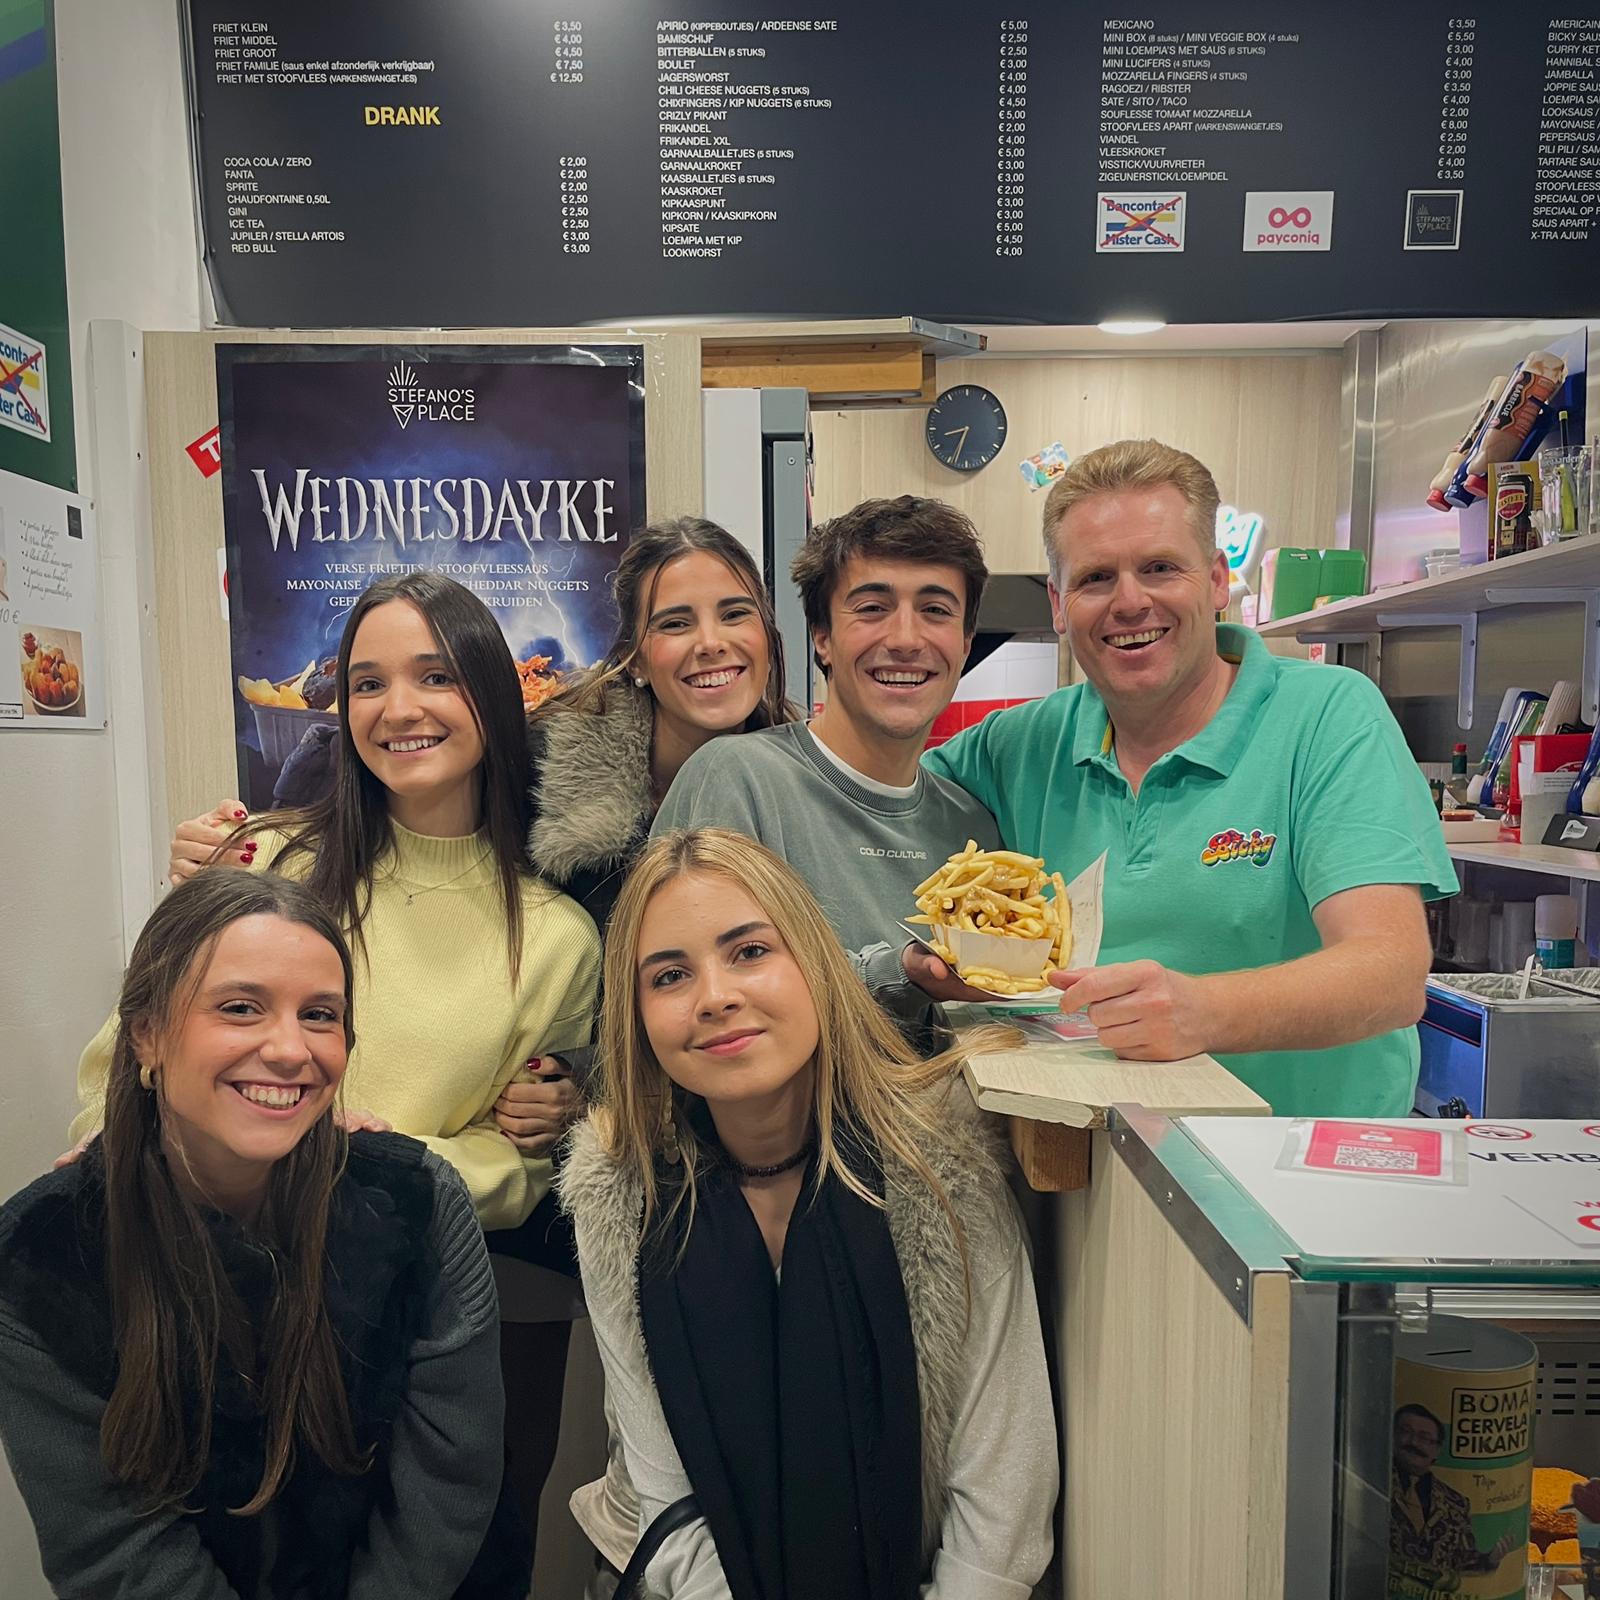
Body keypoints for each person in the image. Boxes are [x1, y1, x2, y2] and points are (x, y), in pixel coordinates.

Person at [70, 569, 601, 1555]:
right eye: (366, 682)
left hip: (406, 1332)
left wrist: (377, 1171)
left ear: (491, 692)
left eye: (435, 676)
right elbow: (125, 1062)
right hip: (211, 1313)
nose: (397, 709)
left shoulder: (557, 935)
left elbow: (522, 1163)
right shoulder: (265, 861)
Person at [0, 868, 526, 1598]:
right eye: (242, 1008)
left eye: (320, 1015)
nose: (290, 1049)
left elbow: (450, 1484)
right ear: (147, 1033)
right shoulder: (39, 1259)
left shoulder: (418, 1202)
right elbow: (114, 1551)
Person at [560, 828, 1056, 1598]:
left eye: (750, 952)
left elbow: (1003, 1495)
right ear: (637, 1015)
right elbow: (663, 1483)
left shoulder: (940, 1164)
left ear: (815, 965)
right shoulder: (620, 1195)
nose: (716, 997)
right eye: (669, 975)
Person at [925, 438, 1457, 1116]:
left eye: (1159, 567)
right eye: (1095, 579)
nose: (1129, 601)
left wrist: (1203, 1011)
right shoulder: (1021, 743)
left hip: (1303, 1178)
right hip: (1087, 1173)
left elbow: (1390, 974)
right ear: (1059, 605)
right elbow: (867, 797)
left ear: (1215, 580)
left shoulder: (1327, 716)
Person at [651, 497, 1002, 1029]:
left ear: (964, 642)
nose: (906, 639)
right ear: (823, 639)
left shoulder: (972, 827)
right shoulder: (739, 778)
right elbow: (692, 990)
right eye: (871, 608)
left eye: (936, 610)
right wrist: (901, 973)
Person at [1389, 1405, 1514, 1585]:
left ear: (1437, 1450)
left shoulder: (1456, 1503)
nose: (1414, 1443)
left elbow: (1462, 1559)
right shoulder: (1374, 1481)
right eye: (1405, 1432)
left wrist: (1490, 1560)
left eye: (1424, 1438)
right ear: (1392, 1435)